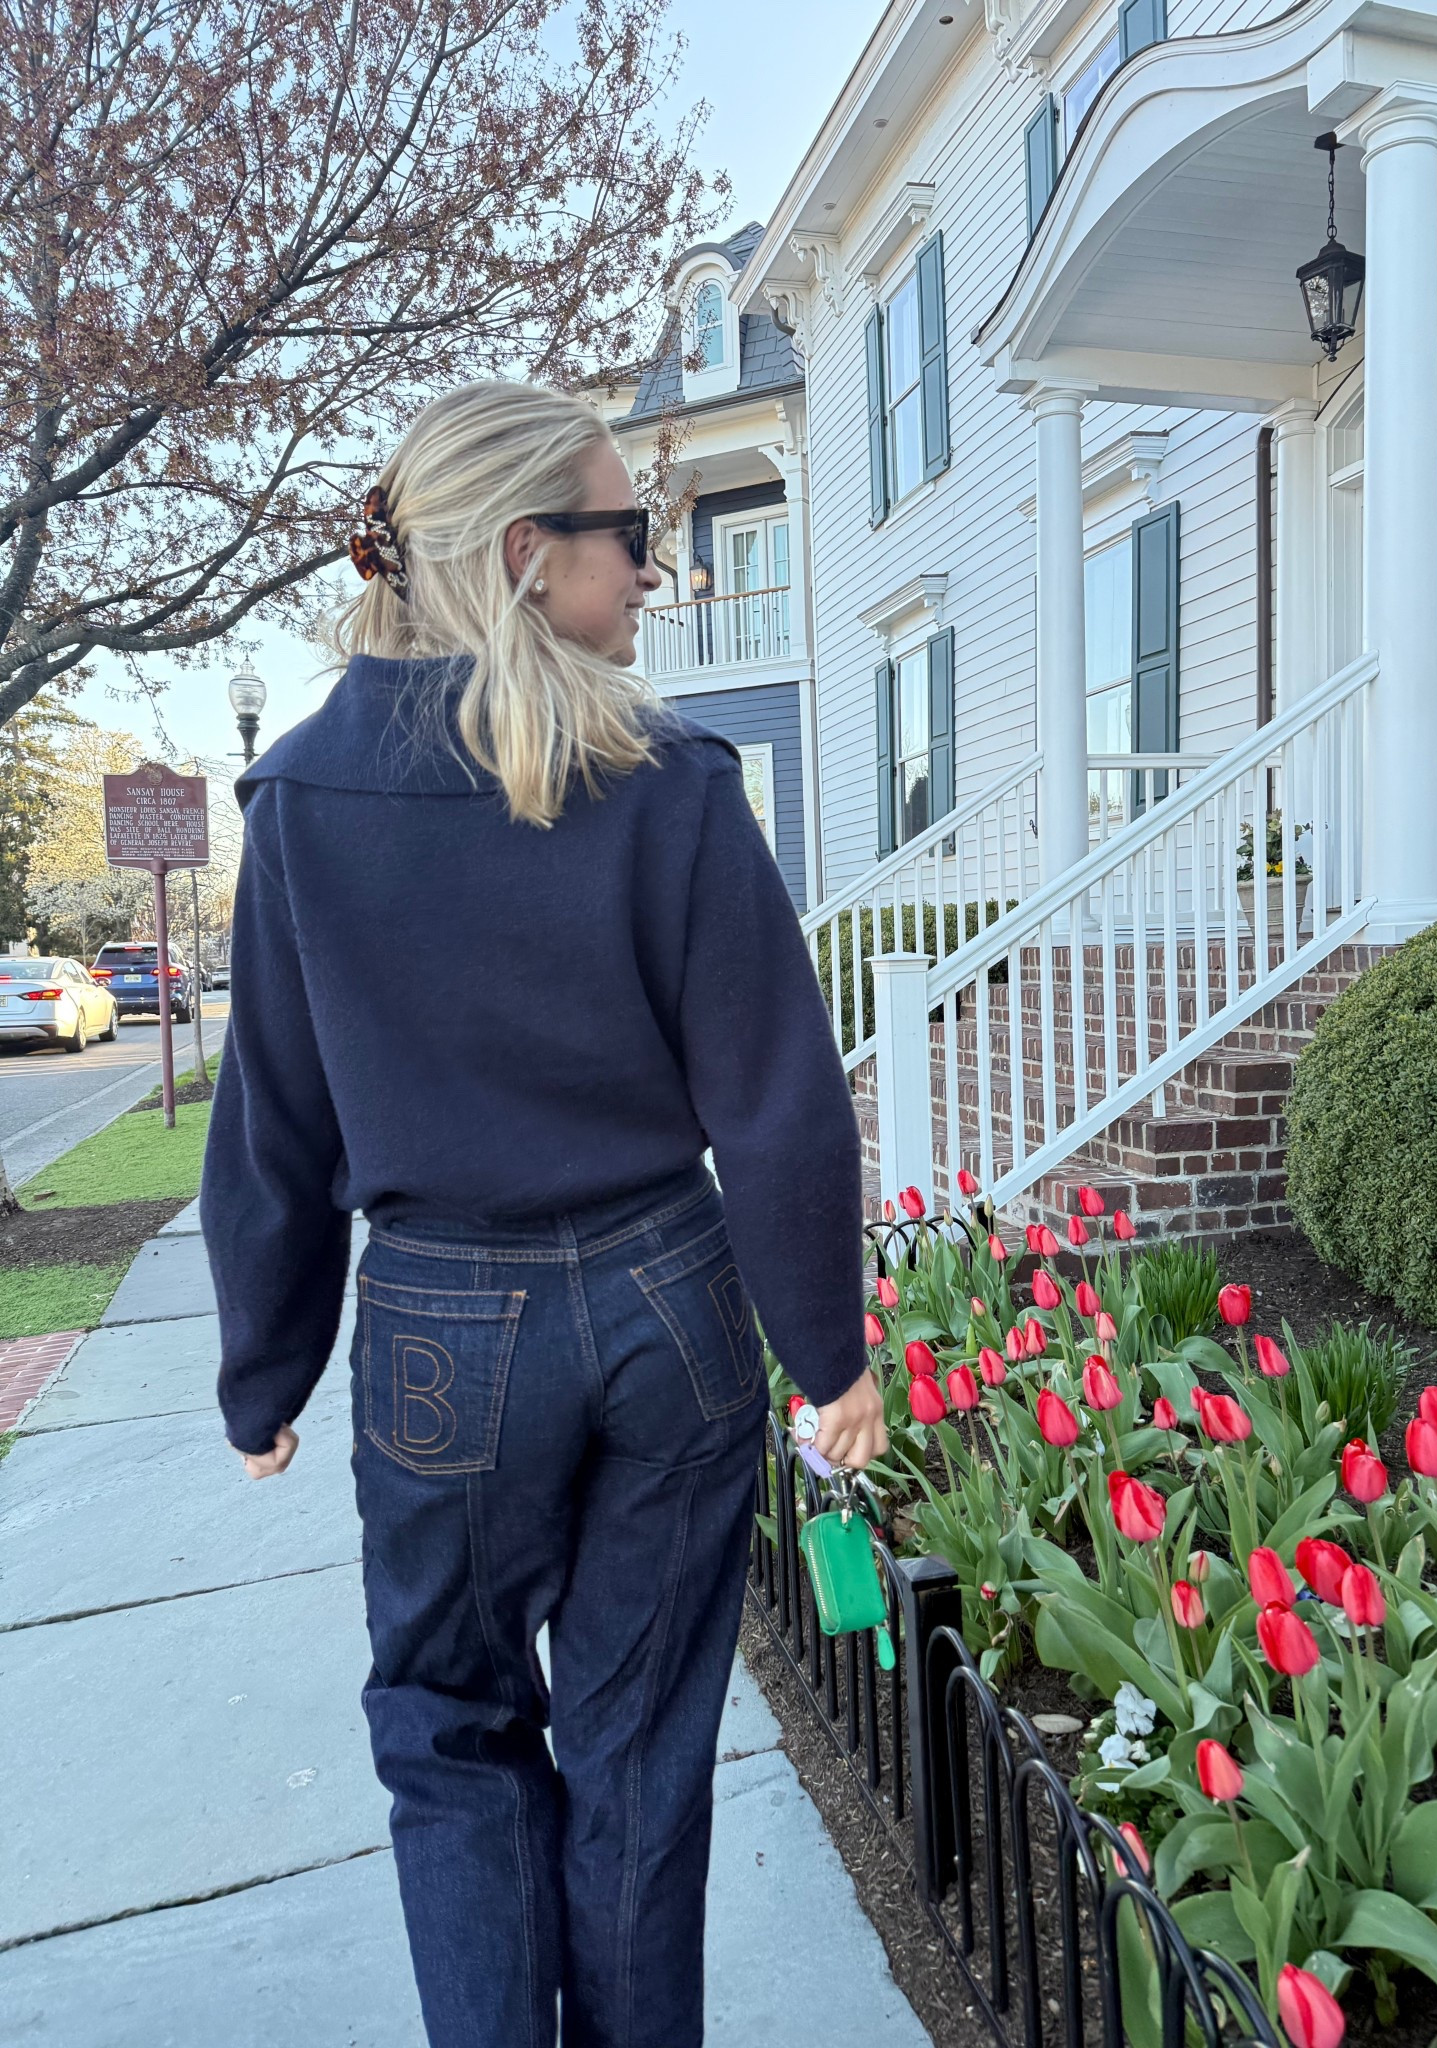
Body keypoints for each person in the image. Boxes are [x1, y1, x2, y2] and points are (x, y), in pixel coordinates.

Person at [201, 379, 887, 2048]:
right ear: (523, 554)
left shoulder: (304, 798)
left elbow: (274, 1119)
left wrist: (264, 1364)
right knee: (640, 1742)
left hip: (445, 1332)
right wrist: (828, 1353)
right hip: (667, 1305)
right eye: (628, 535)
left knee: (453, 1734)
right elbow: (775, 1092)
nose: (655, 571)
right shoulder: (670, 780)